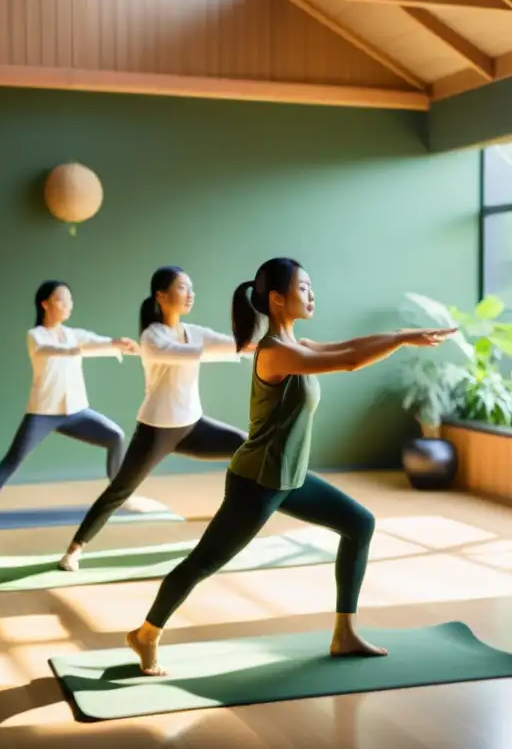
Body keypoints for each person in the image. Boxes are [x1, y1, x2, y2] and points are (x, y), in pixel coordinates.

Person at [123, 257, 457, 675]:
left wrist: (399, 335)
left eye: (311, 286)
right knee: (204, 562)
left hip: (289, 476)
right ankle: (147, 632)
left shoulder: (298, 345)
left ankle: (344, 633)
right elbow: (350, 362)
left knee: (359, 524)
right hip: (257, 481)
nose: (311, 294)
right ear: (277, 299)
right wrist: (403, 339)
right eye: (303, 288)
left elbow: (348, 347)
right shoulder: (276, 353)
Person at [58, 266, 255, 570]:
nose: (190, 293)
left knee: (245, 446)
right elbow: (191, 354)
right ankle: (74, 548)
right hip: (157, 431)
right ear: (161, 296)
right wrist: (238, 348)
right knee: (120, 490)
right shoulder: (153, 337)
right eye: (182, 287)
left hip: (193, 426)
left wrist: (268, 346)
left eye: (191, 287)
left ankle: (234, 525)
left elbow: (232, 345)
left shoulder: (195, 332)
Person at [0, 280, 139, 529]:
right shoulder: (35, 336)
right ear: (45, 304)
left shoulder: (73, 334)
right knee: (13, 459)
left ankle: (119, 496)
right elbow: (51, 350)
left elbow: (96, 341)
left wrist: (117, 344)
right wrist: (80, 349)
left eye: (70, 300)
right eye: (61, 300)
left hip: (76, 412)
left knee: (115, 436)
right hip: (43, 414)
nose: (68, 305)